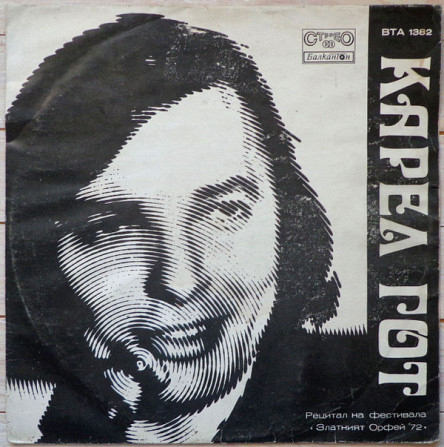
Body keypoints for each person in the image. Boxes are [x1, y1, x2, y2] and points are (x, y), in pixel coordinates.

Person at [7, 13, 365, 443]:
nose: (179, 280)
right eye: (110, 228)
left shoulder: (365, 395)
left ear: (288, 226)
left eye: (225, 211)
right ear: (37, 257)